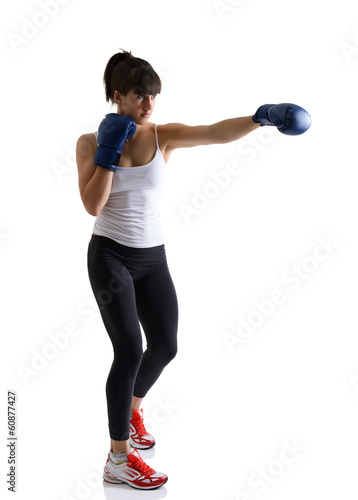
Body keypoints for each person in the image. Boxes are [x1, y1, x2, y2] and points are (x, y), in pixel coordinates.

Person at [75, 49, 311, 491]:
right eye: (141, 96)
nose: (149, 104)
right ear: (118, 95)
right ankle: (117, 459)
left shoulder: (163, 135)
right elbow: (92, 206)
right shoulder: (89, 142)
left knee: (165, 345)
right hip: (109, 254)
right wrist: (108, 151)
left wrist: (261, 118)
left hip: (152, 256)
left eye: (154, 96)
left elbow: (213, 133)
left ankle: (132, 408)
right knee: (129, 348)